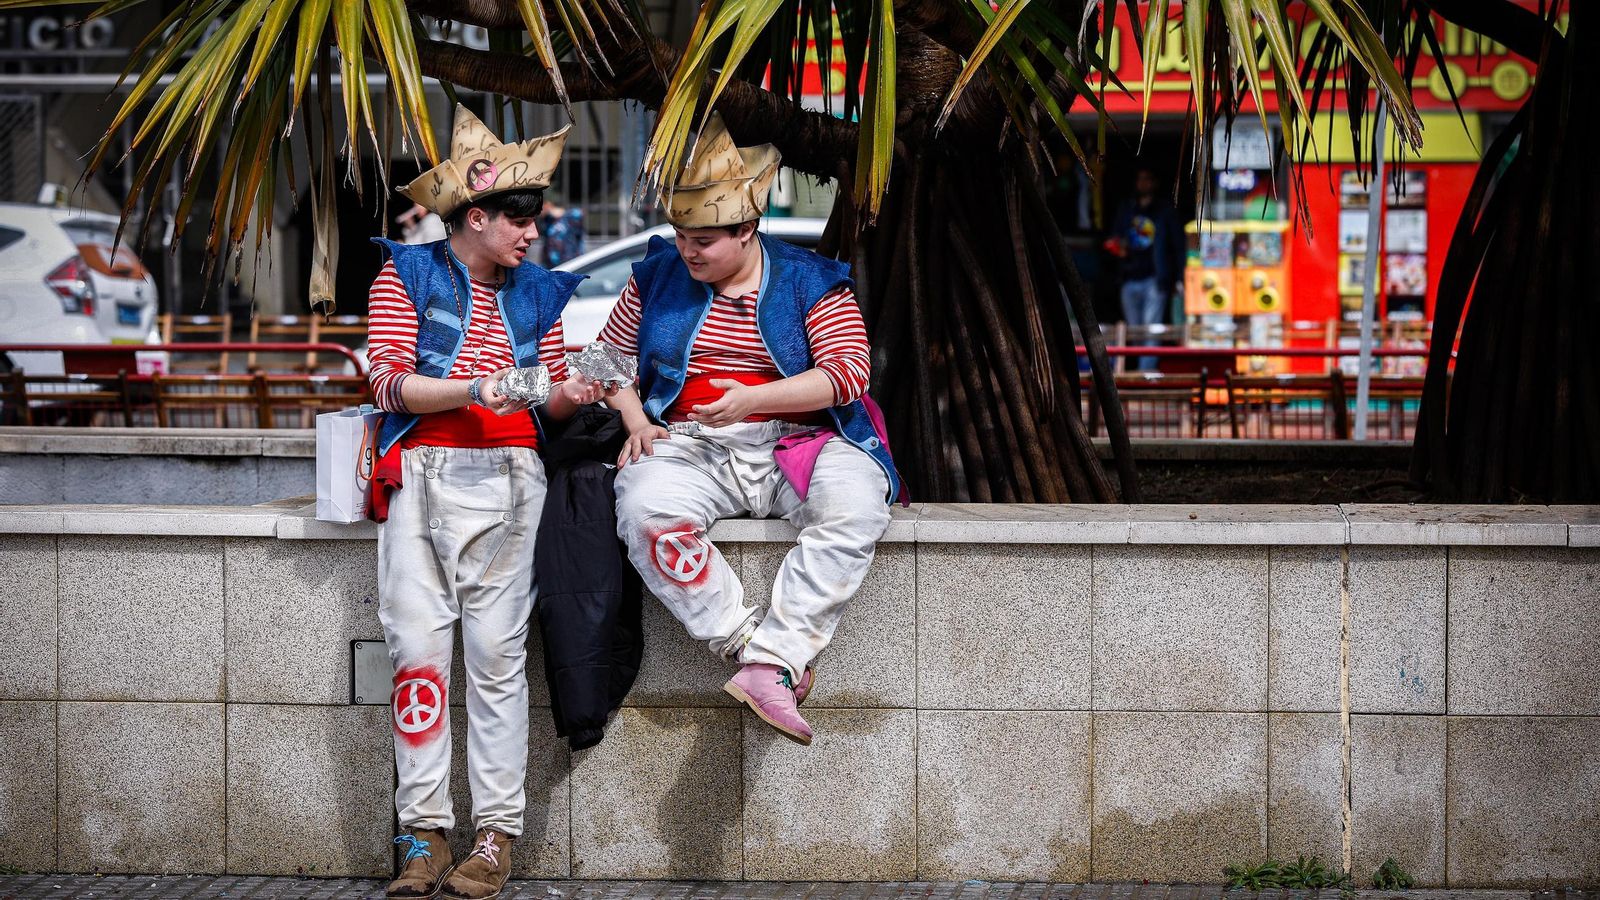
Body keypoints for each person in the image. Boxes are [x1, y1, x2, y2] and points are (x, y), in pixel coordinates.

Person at [365, 104, 608, 900]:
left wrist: (571, 391)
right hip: (422, 477)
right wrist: (481, 387)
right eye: (520, 217)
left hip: (512, 481)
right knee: (418, 660)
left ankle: (496, 835)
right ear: (476, 217)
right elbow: (389, 382)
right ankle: (421, 833)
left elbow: (549, 407)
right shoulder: (404, 273)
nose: (533, 232)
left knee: (501, 664)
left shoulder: (537, 294)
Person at [598, 113, 903, 746]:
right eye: (681, 235)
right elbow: (604, 359)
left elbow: (848, 373)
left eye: (704, 240)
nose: (689, 251)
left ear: (747, 229)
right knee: (643, 506)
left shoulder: (810, 279)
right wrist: (634, 419)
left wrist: (755, 399)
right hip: (692, 446)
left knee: (855, 504)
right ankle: (749, 649)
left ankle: (776, 658)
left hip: (802, 441)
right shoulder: (656, 275)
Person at [1107, 165, 1184, 370]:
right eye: (1140, 179)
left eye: (1148, 178)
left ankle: (1145, 374)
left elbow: (1177, 245)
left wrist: (1179, 278)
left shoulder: (1165, 210)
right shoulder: (1127, 208)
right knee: (1135, 331)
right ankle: (1141, 372)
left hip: (1155, 279)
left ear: (1155, 183)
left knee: (1151, 330)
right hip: (1129, 277)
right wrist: (1118, 248)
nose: (1144, 183)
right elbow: (1114, 239)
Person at [537, 195, 585, 267]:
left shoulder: (569, 217)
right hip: (550, 263)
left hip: (569, 261)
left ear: (547, 205)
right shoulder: (547, 220)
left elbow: (579, 213)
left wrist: (559, 213)